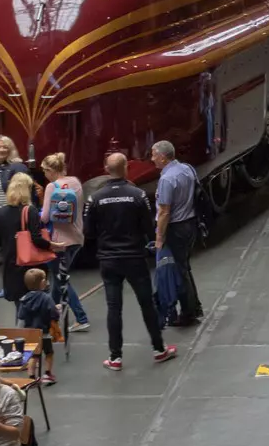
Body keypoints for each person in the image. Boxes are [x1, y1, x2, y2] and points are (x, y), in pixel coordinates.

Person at [85, 152, 177, 370]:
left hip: (108, 259)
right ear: (126, 168)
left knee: (113, 307)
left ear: (106, 170)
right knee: (146, 304)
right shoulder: (138, 195)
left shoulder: (95, 199)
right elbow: (148, 228)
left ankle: (115, 357)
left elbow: (88, 232)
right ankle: (159, 349)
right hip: (134, 257)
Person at [151, 140, 203, 326]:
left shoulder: (166, 179)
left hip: (176, 228)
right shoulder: (187, 169)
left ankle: (188, 313)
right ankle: (194, 306)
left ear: (163, 158)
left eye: (154, 155)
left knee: (179, 271)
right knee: (184, 268)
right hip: (190, 224)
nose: (152, 159)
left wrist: (159, 237)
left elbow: (164, 211)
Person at [38, 152, 91, 332]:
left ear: (51, 170)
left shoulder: (52, 187)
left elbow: (45, 217)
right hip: (76, 237)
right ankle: (52, 313)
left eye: (45, 170)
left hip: (59, 242)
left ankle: (81, 317)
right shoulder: (75, 182)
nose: (44, 174)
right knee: (57, 275)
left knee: (61, 279)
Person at [0, 173, 51, 316]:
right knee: (37, 309)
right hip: (30, 266)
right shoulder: (29, 211)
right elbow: (36, 238)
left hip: (11, 265)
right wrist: (52, 245)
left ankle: (21, 335)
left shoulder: (1, 212)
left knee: (20, 309)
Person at [14, 267, 59, 384]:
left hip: (31, 334)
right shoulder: (46, 298)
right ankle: (47, 374)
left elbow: (21, 317)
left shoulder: (24, 299)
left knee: (34, 355)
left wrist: (20, 333)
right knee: (49, 353)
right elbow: (53, 313)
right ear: (43, 283)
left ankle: (31, 376)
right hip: (44, 333)